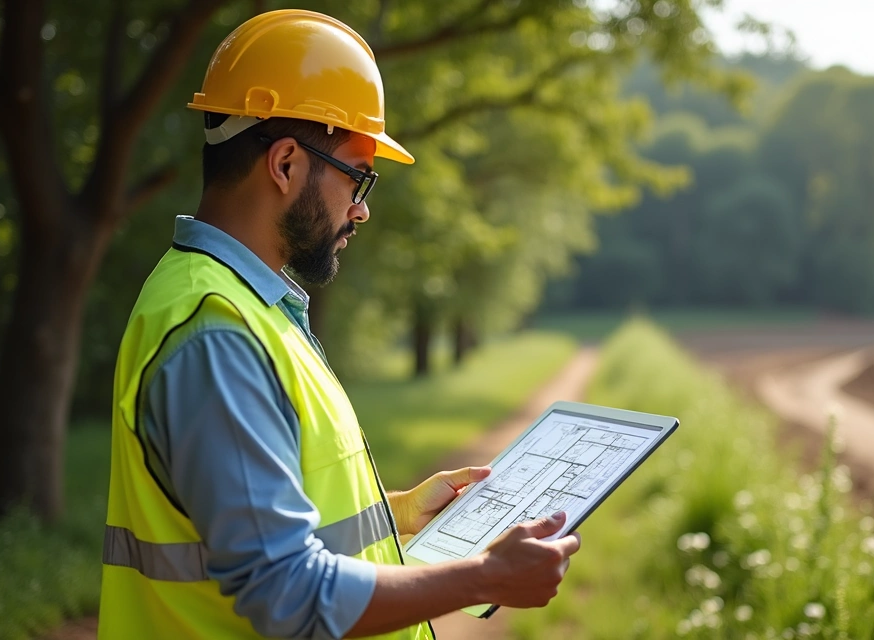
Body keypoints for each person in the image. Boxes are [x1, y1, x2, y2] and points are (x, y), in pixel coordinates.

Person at [98, 10, 580, 639]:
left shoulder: (244, 305)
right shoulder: (216, 334)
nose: (362, 208)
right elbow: (288, 593)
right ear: (287, 164)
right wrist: (484, 575)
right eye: (359, 176)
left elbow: (256, 515)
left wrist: (399, 514)